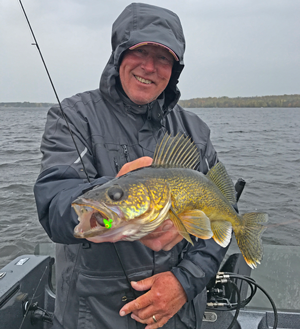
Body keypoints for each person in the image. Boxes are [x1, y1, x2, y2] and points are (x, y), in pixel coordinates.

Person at [34, 3, 230, 329]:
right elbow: (55, 200)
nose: (150, 66)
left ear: (174, 69)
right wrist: (113, 200)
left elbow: (221, 212)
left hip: (179, 317)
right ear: (119, 55)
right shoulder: (72, 117)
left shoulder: (196, 131)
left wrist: (185, 282)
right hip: (94, 317)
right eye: (140, 51)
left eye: (163, 57)